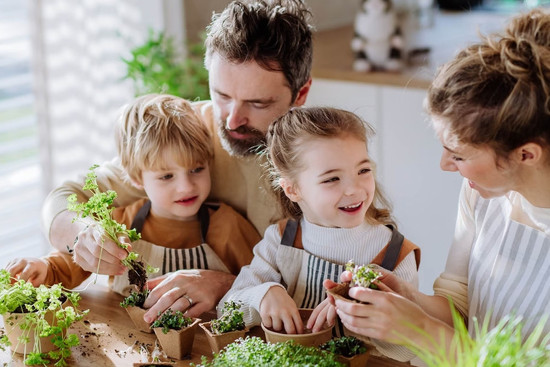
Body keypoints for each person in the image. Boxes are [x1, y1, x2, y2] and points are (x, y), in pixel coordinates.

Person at [39, 0, 313, 321]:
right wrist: (81, 233)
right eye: (222, 95)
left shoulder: (324, 164)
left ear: (301, 94)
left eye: (257, 103)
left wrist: (228, 285)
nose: (232, 120)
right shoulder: (190, 129)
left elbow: (324, 285)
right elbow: (65, 197)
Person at [324, 8, 550, 354]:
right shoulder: (484, 193)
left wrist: (417, 329)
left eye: (458, 155)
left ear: (526, 154)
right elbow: (462, 308)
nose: (445, 165)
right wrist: (408, 298)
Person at [6, 94, 261, 316]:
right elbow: (66, 267)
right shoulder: (120, 222)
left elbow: (261, 285)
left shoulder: (229, 226)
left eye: (196, 169)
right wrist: (42, 269)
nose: (186, 187)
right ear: (137, 178)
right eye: (166, 176)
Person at [219, 107, 421, 362]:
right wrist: (263, 294)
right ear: (293, 189)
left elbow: (409, 351)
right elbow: (225, 310)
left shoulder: (395, 254)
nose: (354, 189)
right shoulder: (281, 240)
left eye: (363, 171)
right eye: (332, 179)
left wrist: (368, 313)